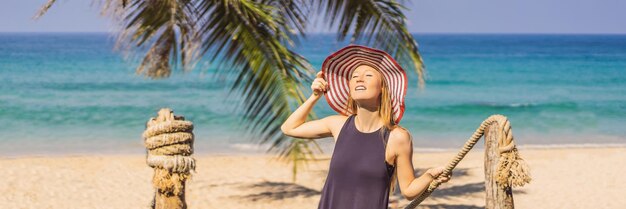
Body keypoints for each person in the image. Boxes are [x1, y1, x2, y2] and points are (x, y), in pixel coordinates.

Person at [281, 45, 451, 209]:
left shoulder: (397, 137)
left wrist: (430, 175)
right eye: (354, 76)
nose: (359, 78)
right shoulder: (338, 125)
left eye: (368, 75)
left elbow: (408, 190)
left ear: (382, 88)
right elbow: (289, 128)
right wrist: (315, 97)